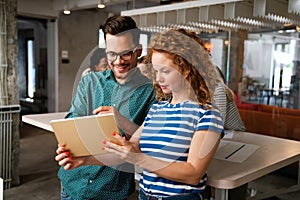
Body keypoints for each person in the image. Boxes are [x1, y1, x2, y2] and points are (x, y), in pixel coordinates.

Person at [102, 29, 224, 199]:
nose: (158, 79)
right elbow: (132, 146)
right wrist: (85, 159)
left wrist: (137, 158)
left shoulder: (207, 115)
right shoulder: (157, 109)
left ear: (187, 69)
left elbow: (193, 173)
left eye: (165, 71)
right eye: (156, 71)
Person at [56, 15, 157, 200]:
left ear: (139, 50)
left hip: (111, 190)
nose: (118, 61)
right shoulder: (90, 82)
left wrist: (121, 122)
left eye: (126, 53)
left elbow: (145, 143)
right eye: (112, 54)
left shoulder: (150, 93)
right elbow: (73, 121)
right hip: (73, 183)